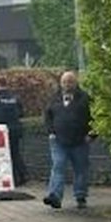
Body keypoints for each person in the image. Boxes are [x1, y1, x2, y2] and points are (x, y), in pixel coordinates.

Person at [43, 69, 95, 209]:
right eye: (64, 82)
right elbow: (48, 116)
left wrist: (92, 135)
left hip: (80, 141)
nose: (67, 84)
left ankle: (80, 195)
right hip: (59, 141)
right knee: (58, 166)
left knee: (81, 169)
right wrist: (51, 132)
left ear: (76, 82)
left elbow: (95, 117)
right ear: (60, 83)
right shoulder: (54, 98)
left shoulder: (85, 98)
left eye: (70, 81)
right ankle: (55, 196)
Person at [0, 82, 27, 185]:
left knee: (5, 154)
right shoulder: (15, 97)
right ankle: (22, 175)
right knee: (15, 153)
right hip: (16, 129)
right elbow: (22, 113)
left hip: (1, 130)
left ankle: (12, 178)